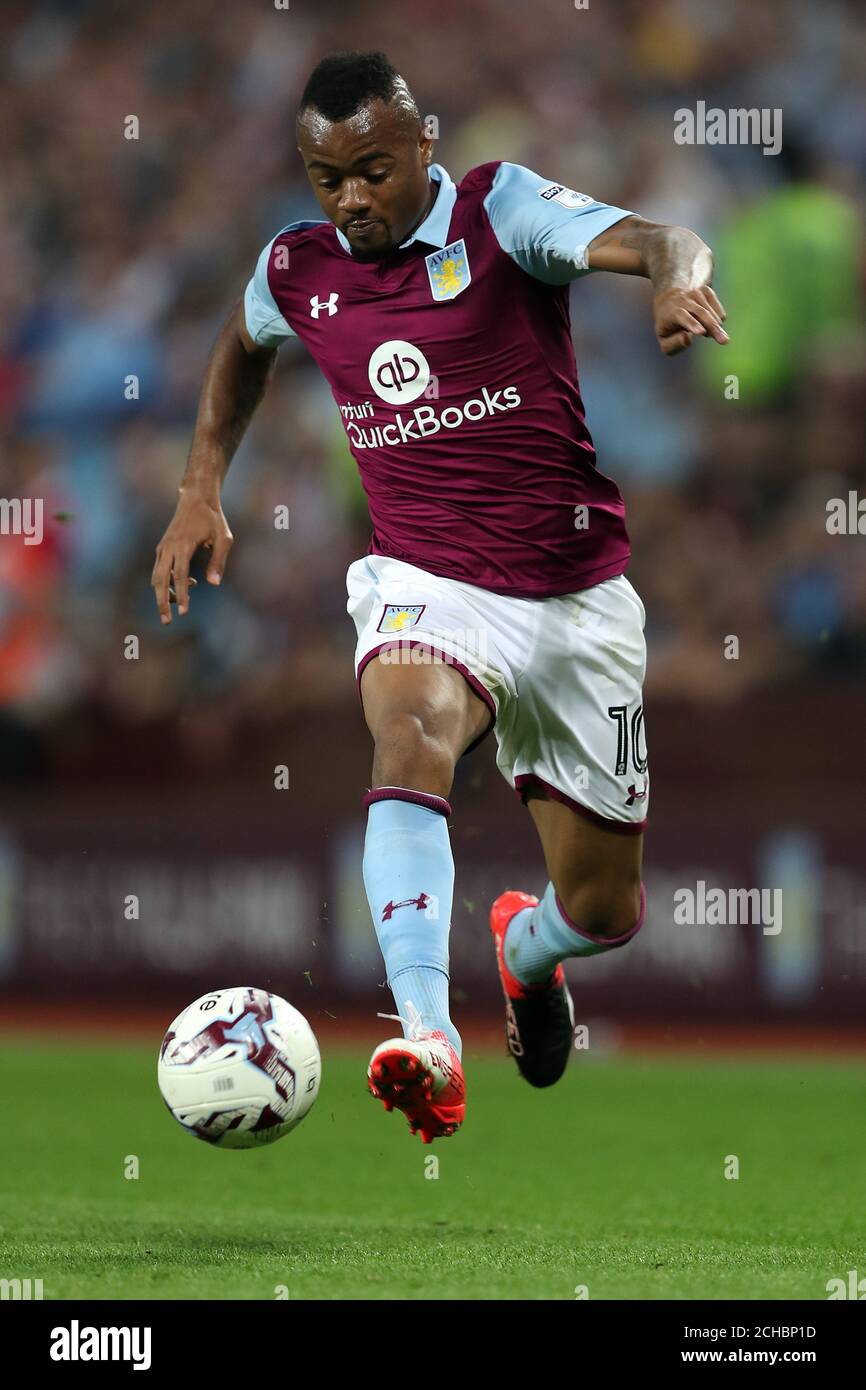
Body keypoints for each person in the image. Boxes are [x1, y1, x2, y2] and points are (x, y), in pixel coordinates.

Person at [151, 50, 728, 1144]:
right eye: (329, 179)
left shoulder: (498, 208)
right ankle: (427, 1037)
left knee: (603, 911)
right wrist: (199, 490)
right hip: (425, 583)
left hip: (576, 602)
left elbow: (659, 237)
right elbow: (240, 346)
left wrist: (673, 278)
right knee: (407, 733)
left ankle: (525, 952)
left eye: (373, 169)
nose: (353, 198)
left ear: (423, 145)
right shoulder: (296, 269)